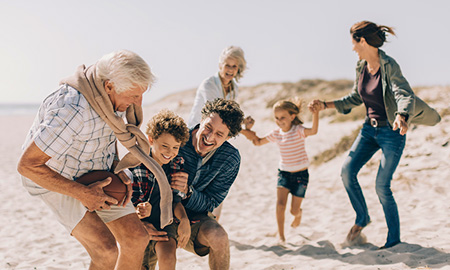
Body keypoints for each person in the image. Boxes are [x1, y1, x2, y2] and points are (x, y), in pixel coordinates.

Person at [17, 50, 173, 270]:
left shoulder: (113, 98)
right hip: (54, 176)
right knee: (106, 250)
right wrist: (82, 193)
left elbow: (106, 142)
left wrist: (118, 172)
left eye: (141, 94)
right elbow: (27, 165)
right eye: (133, 95)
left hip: (92, 171)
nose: (138, 102)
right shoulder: (72, 110)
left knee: (137, 238)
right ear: (108, 86)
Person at [311, 21, 441, 249]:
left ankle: (393, 241)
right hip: (369, 130)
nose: (352, 48)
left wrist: (402, 115)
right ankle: (362, 218)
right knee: (347, 171)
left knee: (382, 184)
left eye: (353, 42)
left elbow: (403, 93)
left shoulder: (389, 65)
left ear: (362, 41)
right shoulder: (360, 66)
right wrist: (325, 105)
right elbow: (355, 97)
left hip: (391, 132)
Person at [172, 98, 244, 270]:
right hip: (157, 211)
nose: (210, 137)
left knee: (219, 237)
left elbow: (212, 202)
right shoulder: (176, 141)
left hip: (195, 218)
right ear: (201, 120)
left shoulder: (230, 158)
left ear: (228, 137)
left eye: (219, 134)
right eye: (208, 127)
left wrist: (188, 193)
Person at [241, 98, 321, 245]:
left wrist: (315, 114)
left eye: (282, 117)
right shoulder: (276, 133)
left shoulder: (298, 131)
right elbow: (258, 142)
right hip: (284, 173)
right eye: (276, 118)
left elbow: (314, 131)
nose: (279, 121)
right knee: (280, 205)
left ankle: (298, 214)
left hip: (301, 175)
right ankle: (281, 236)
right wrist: (246, 130)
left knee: (293, 211)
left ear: (292, 116)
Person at [187, 45, 247, 221]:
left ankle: (212, 220)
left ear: (239, 69)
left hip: (217, 137)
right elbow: (219, 114)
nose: (230, 70)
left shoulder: (234, 88)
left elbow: (230, 118)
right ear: (220, 65)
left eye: (234, 66)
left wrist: (245, 123)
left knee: (217, 179)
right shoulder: (209, 84)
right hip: (199, 134)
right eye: (227, 65)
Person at [129, 109, 191, 270]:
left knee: (168, 254)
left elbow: (175, 200)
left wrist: (184, 220)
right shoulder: (139, 165)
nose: (170, 152)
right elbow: (131, 205)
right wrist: (140, 211)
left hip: (165, 222)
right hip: (138, 225)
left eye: (175, 147)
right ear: (151, 140)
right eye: (165, 146)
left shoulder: (177, 163)